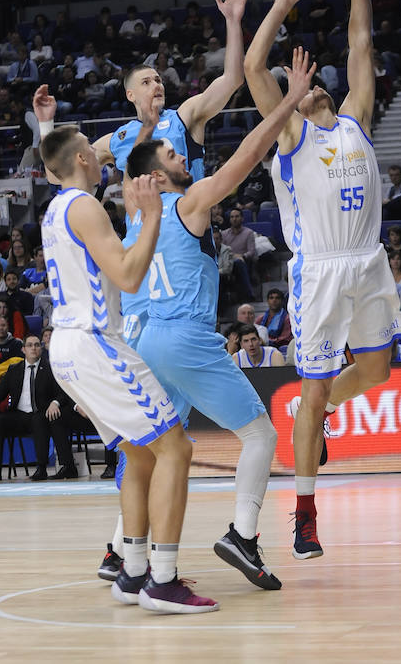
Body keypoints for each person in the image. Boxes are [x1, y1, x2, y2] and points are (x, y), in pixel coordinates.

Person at [126, 56, 313, 591]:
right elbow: (248, 158)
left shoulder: (137, 224)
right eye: (169, 151)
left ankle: (128, 555)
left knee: (154, 451)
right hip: (184, 336)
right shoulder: (187, 201)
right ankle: (243, 534)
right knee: (259, 433)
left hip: (148, 342)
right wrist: (284, 103)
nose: (180, 152)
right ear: (157, 175)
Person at [243, 0, 401, 560]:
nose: (304, 90)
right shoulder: (290, 130)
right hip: (319, 272)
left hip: (368, 260)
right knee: (309, 392)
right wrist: (281, 5)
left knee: (378, 371)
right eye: (297, 88)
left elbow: (361, 46)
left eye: (310, 87)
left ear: (327, 93)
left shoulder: (357, 120)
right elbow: (257, 69)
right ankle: (305, 514)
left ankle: (325, 409)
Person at [32, 87, 217, 615]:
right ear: (86, 160)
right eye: (93, 148)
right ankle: (163, 579)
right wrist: (153, 214)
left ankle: (133, 571)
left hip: (66, 346)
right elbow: (131, 277)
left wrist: (46, 127)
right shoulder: (88, 206)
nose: (100, 152)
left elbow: (54, 165)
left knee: (139, 451)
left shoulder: (56, 204)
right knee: (176, 449)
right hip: (93, 342)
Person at [93, 0, 248, 186]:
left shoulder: (184, 117)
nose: (157, 85)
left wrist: (233, 21)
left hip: (186, 215)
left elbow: (233, 79)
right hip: (141, 218)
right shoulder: (116, 139)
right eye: (146, 83)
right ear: (130, 95)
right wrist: (46, 123)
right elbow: (61, 173)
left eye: (158, 80)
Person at [0, 335, 77, 482]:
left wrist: (55, 402)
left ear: (41, 348)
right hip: (18, 414)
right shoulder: (14, 370)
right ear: (23, 349)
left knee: (39, 420)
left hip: (41, 412)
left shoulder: (51, 368)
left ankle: (41, 468)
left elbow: (63, 391)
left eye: (37, 345)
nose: (34, 348)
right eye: (30, 345)